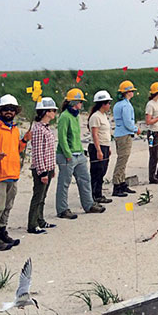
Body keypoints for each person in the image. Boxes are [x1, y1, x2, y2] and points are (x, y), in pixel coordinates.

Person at [0, 94, 29, 251]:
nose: (9, 112)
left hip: (12, 175)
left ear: (15, 112)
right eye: (6, 109)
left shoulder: (14, 130)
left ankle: (2, 232)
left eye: (12, 109)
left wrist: (24, 141)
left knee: (7, 206)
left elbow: (16, 150)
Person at [56, 89, 105, 218]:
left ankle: (89, 205)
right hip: (67, 155)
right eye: (80, 102)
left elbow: (75, 137)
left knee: (85, 179)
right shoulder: (64, 117)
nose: (81, 104)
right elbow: (62, 138)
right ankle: (62, 209)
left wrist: (80, 151)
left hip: (78, 154)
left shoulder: (76, 115)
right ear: (74, 102)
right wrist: (67, 154)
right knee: (64, 183)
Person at [28, 97, 58, 234]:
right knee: (38, 196)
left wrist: (52, 168)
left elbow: (49, 150)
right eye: (53, 110)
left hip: (48, 167)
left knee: (43, 196)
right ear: (46, 112)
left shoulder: (46, 128)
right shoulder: (38, 129)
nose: (54, 113)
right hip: (41, 168)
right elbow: (38, 151)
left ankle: (40, 220)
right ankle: (32, 224)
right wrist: (43, 172)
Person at [112, 80, 140, 197]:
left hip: (119, 134)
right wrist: (135, 129)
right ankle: (117, 185)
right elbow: (128, 122)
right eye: (132, 91)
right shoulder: (126, 105)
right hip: (124, 135)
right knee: (122, 160)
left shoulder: (118, 104)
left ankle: (122, 183)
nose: (133, 93)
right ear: (128, 92)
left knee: (122, 159)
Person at [87, 91, 114, 204]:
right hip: (97, 146)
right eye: (108, 103)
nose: (109, 105)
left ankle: (98, 193)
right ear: (103, 104)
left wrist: (108, 148)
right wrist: (98, 150)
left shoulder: (103, 116)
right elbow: (95, 134)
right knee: (97, 171)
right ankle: (94, 195)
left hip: (105, 145)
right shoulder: (95, 116)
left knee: (102, 170)